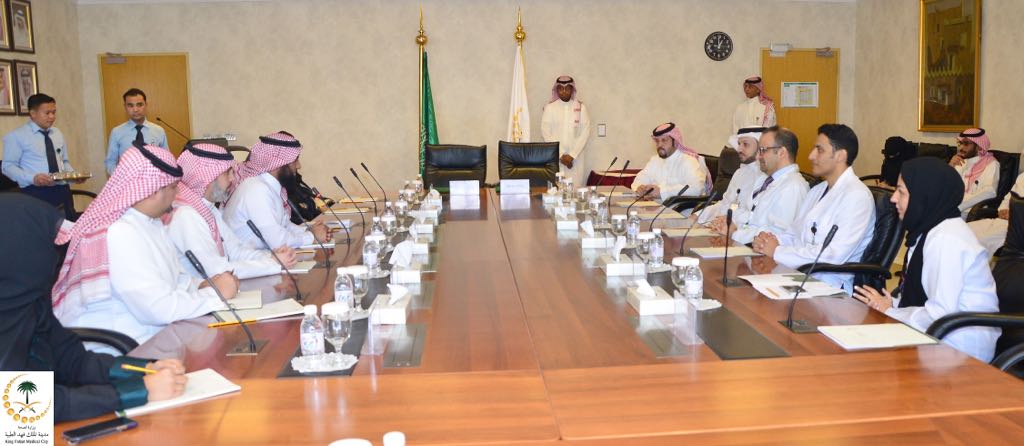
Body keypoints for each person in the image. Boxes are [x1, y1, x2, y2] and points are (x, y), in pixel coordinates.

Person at [0, 194, 187, 422]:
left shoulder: (26, 299)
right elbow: (17, 409)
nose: (54, 254)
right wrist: (138, 391)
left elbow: (73, 360)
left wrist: (144, 369)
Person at [52, 143, 239, 349]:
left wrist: (203, 285)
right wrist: (216, 295)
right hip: (118, 348)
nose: (178, 193)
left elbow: (176, 279)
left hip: (154, 336)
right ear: (153, 190)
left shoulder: (151, 222)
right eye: (173, 187)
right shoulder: (119, 233)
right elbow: (157, 309)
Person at [854, 157, 1000, 362]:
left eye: (901, 192)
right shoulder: (931, 230)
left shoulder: (947, 239)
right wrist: (893, 304)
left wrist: (890, 311)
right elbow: (929, 299)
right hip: (940, 336)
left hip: (961, 350)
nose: (893, 198)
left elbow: (940, 314)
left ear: (924, 196)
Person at [752, 124, 875, 291]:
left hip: (829, 286)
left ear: (840, 155)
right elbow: (794, 234)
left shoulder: (857, 196)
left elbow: (833, 256)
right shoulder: (817, 190)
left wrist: (777, 251)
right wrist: (768, 241)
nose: (811, 156)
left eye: (819, 150)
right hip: (799, 275)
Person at [166, 142, 296, 280]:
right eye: (228, 173)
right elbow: (216, 271)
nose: (233, 179)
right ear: (208, 177)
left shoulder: (207, 208)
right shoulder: (185, 215)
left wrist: (272, 257)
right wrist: (272, 264)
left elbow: (236, 251)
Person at [223, 131, 329, 249]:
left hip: (265, 256)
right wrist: (312, 237)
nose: (298, 166)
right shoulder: (257, 190)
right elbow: (277, 241)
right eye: (295, 161)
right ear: (278, 164)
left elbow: (284, 225)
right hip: (250, 258)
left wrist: (310, 230)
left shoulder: (268, 186)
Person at [714, 126, 809, 244]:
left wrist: (734, 232)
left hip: (758, 252)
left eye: (763, 150)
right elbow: (753, 221)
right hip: (745, 244)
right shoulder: (769, 181)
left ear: (781, 153)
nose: (758, 157)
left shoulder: (793, 187)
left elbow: (777, 236)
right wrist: (732, 224)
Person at [2, 94, 78, 219]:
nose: (52, 117)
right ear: (33, 113)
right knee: (44, 229)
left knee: (68, 227)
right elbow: (8, 166)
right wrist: (33, 178)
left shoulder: (57, 133)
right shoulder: (16, 136)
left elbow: (63, 161)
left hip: (62, 190)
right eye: (47, 113)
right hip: (36, 192)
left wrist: (73, 176)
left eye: (54, 112)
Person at [699, 127, 766, 224]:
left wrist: (728, 219)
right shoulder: (739, 172)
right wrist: (697, 216)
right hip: (722, 225)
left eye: (745, 144)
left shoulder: (766, 177)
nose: (739, 149)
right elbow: (724, 204)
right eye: (739, 144)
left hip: (741, 229)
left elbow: (755, 216)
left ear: (760, 147)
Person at [632, 122, 710, 200]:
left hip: (680, 207)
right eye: (657, 141)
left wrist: (662, 192)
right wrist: (639, 187)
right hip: (655, 206)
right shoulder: (654, 160)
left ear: (675, 142)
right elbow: (640, 179)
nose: (659, 145)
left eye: (664, 140)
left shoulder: (689, 161)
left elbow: (697, 189)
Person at [540, 75, 592, 186]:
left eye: (567, 88)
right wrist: (561, 155)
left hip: (576, 160)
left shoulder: (581, 108)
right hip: (556, 158)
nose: (564, 91)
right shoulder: (550, 108)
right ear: (557, 89)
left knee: (575, 190)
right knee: (557, 191)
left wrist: (572, 155)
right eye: (561, 88)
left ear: (572, 89)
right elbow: (546, 133)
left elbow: (585, 132)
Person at [105, 88, 169, 175]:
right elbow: (110, 162)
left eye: (139, 105)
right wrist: (120, 178)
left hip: (155, 180)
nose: (135, 109)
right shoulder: (116, 132)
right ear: (125, 107)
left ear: (146, 105)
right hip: (127, 181)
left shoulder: (159, 131)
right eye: (130, 105)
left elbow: (167, 160)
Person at [967, 171, 1024, 256]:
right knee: (963, 231)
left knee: (976, 241)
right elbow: (1008, 198)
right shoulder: (1022, 177)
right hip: (1001, 220)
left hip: (1016, 229)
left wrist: (1014, 216)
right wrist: (1003, 209)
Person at [950, 128, 999, 217]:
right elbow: (945, 186)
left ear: (979, 146)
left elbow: (990, 191)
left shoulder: (991, 164)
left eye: (966, 144)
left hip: (970, 210)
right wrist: (950, 167)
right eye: (960, 143)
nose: (961, 148)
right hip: (951, 206)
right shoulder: (960, 161)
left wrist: (957, 205)